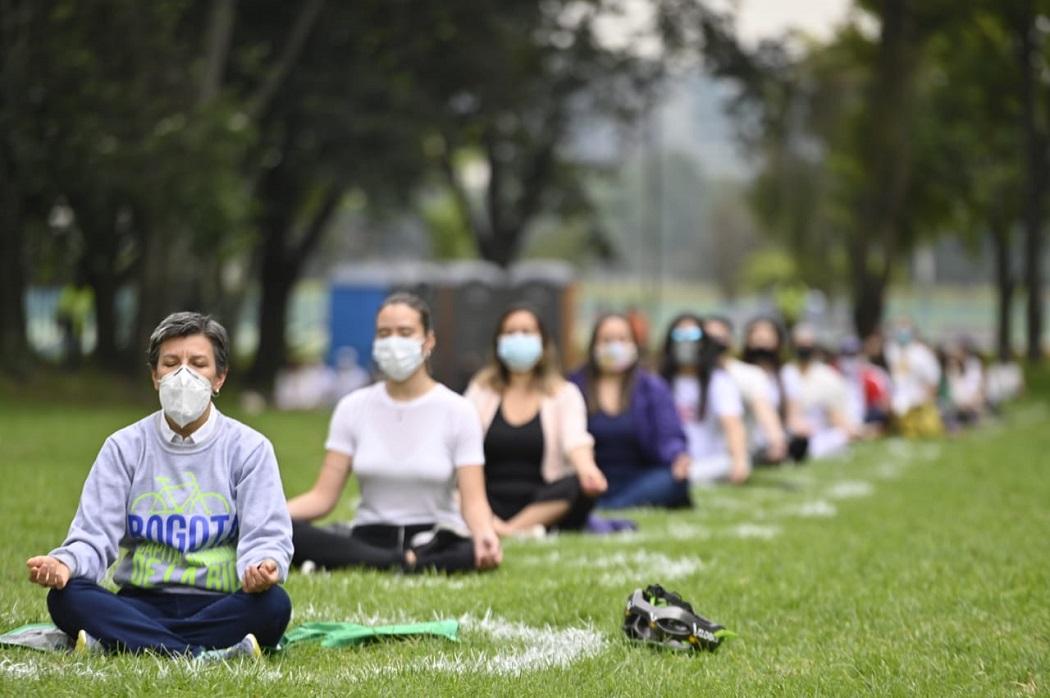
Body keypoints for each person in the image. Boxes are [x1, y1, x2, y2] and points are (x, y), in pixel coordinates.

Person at [26, 312, 293, 658]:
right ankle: (197, 653)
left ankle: (128, 643)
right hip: (140, 603)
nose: (184, 374)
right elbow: (94, 535)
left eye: (198, 363)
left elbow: (266, 536)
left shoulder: (250, 449)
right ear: (155, 375)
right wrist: (64, 565)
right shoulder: (123, 447)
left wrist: (263, 566)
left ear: (219, 378)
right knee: (66, 597)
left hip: (220, 603)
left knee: (274, 605)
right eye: (171, 363)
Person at [287, 292, 501, 573]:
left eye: (405, 332)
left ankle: (395, 561)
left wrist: (485, 533)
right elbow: (322, 498)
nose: (393, 343)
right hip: (369, 537)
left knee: (467, 550)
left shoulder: (459, 410)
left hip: (436, 539)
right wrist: (267, 516)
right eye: (384, 334)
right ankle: (401, 563)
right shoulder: (352, 407)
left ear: (429, 341)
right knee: (291, 533)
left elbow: (474, 502)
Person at [463, 306, 607, 536]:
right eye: (510, 332)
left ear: (543, 343)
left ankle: (509, 530)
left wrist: (588, 469)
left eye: (527, 332)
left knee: (576, 485)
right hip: (488, 498)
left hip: (543, 500)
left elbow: (576, 440)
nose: (518, 338)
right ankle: (503, 526)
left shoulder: (564, 393)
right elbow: (462, 444)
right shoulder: (481, 390)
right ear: (498, 343)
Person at [569, 313, 691, 509]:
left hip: (639, 477)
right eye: (607, 340)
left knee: (671, 480)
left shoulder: (652, 387)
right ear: (594, 345)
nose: (614, 346)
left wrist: (678, 456)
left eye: (622, 339)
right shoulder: (573, 385)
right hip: (588, 477)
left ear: (634, 344)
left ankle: (609, 506)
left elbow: (669, 434)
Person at [660, 314, 750, 485]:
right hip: (669, 463)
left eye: (693, 336)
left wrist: (740, 461)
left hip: (709, 463)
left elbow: (733, 424)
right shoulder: (657, 383)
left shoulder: (719, 381)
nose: (686, 342)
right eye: (679, 336)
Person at [703, 315, 788, 465]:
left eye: (719, 337)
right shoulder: (684, 376)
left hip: (729, 455)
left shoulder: (748, 375)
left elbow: (763, 408)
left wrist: (776, 442)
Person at [781, 324, 857, 459]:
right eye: (800, 343)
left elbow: (836, 415)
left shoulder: (827, 376)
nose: (804, 347)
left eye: (807, 343)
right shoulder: (786, 373)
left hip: (819, 434)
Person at [741, 317, 809, 462]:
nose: (762, 338)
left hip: (777, 437)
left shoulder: (787, 374)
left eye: (767, 334)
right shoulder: (740, 373)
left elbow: (793, 415)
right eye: (757, 334)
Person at [885, 320, 943, 438]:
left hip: (918, 400)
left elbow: (932, 380)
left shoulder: (922, 353)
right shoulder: (892, 350)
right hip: (898, 398)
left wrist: (927, 400)